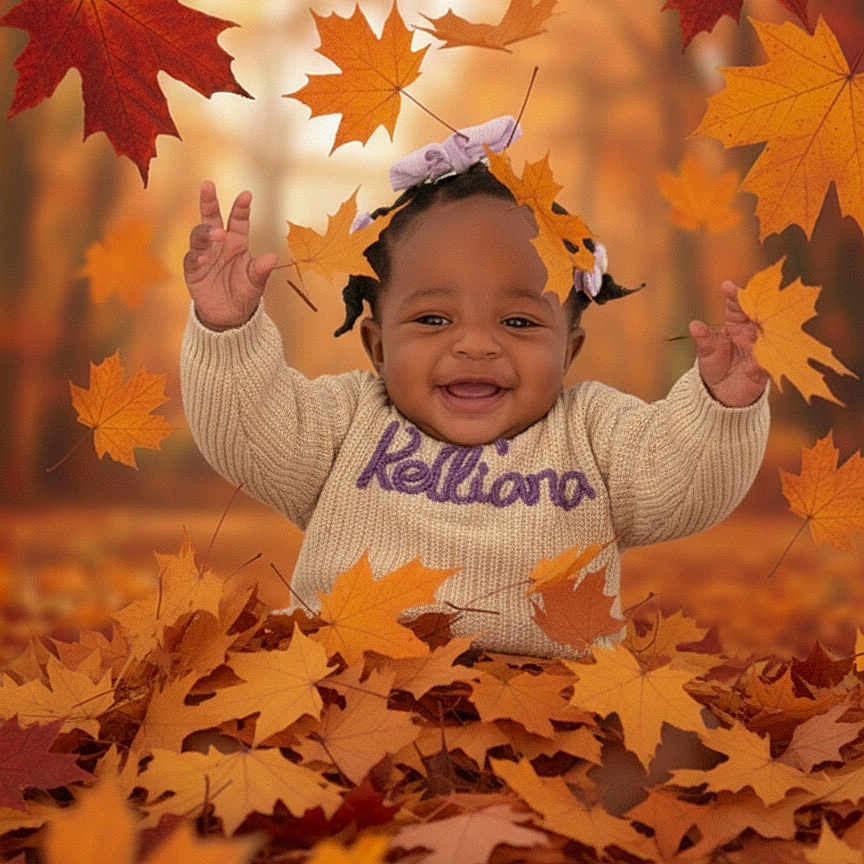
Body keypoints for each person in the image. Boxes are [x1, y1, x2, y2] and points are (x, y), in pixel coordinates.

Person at [180, 117, 770, 658]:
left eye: (518, 322)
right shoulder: (346, 422)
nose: (476, 346)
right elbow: (249, 434)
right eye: (434, 320)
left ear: (569, 351)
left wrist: (722, 406)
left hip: (550, 718)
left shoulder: (596, 432)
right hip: (350, 691)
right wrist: (227, 330)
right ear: (377, 346)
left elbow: (682, 486)